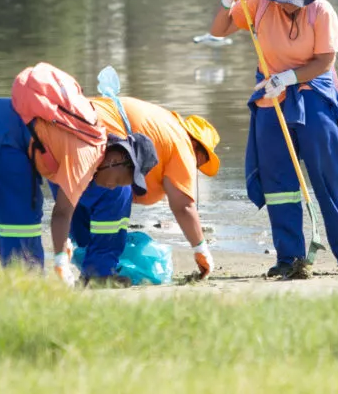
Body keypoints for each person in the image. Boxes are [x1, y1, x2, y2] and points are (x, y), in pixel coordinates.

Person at [208, 0, 338, 278]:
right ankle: (290, 256)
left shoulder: (322, 10)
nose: (291, 7)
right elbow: (218, 31)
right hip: (271, 93)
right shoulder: (258, 3)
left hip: (313, 90)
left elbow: (325, 61)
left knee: (327, 173)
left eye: (296, 1)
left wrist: (289, 78)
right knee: (278, 178)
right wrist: (228, 0)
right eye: (285, 1)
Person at [0, 88, 158, 283]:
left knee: (22, 212)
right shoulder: (87, 154)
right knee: (20, 217)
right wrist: (61, 264)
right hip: (1, 131)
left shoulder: (94, 148)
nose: (114, 187)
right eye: (120, 181)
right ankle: (26, 287)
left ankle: (26, 283)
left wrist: (65, 251)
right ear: (116, 160)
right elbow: (61, 213)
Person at [68, 98, 223, 286]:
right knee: (116, 193)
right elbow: (183, 206)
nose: (197, 167)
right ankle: (98, 274)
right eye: (202, 160)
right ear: (197, 147)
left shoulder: (165, 127)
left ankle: (90, 269)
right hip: (100, 135)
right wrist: (201, 249)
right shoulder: (182, 144)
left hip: (69, 124)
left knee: (78, 198)